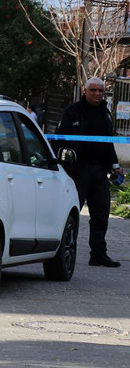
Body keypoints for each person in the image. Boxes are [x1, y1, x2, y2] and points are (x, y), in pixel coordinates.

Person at [55, 77, 125, 267]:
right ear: (85, 91)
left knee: (101, 214)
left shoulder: (105, 113)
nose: (97, 94)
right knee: (72, 214)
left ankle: (98, 254)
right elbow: (58, 140)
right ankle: (63, 254)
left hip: (99, 171)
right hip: (77, 171)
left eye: (100, 91)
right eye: (93, 90)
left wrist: (114, 165)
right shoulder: (73, 111)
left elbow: (108, 142)